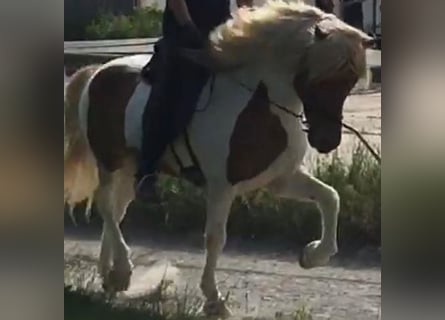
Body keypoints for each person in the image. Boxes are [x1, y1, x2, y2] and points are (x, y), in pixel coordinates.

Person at [135, 0, 253, 203]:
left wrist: (250, 25)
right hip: (184, 38)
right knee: (170, 99)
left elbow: (245, 3)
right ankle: (147, 171)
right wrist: (189, 27)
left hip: (220, 37)